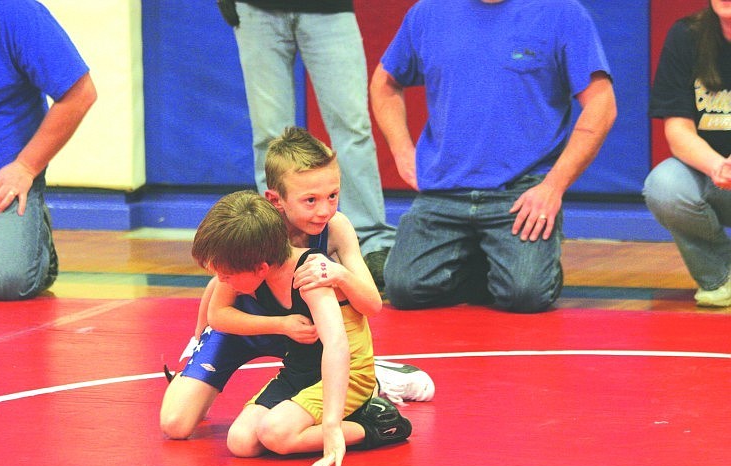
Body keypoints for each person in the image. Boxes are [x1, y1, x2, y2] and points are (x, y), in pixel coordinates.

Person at [160, 127, 433, 441]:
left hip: (306, 336)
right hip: (250, 325)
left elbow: (372, 304)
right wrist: (207, 338)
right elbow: (217, 297)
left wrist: (341, 274)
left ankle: (368, 382)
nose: (324, 210)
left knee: (329, 355)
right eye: (310, 200)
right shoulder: (256, 227)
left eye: (333, 196)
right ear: (276, 200)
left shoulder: (335, 228)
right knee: (175, 424)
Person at [369, 0, 617, 313]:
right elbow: (385, 82)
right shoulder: (428, 12)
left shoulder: (562, 12)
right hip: (444, 188)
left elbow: (602, 103)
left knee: (526, 294)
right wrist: (401, 150)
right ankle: (490, 261)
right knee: (404, 289)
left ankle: (532, 267)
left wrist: (553, 186)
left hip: (521, 191)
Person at [191, 190, 412, 466]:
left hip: (349, 375)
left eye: (226, 276)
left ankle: (376, 424)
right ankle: (323, 420)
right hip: (299, 371)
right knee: (241, 442)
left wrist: (332, 425)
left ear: (260, 269)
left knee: (276, 434)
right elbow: (218, 315)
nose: (220, 281)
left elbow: (336, 345)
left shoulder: (310, 274)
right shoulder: (254, 262)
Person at [217, 0, 396, 287]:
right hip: (257, 8)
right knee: (269, 135)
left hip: (329, 8)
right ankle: (274, 242)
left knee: (353, 127)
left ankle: (370, 243)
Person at [0, 0, 96, 301]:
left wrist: (26, 167)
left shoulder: (14, 12)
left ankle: (36, 252)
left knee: (7, 281)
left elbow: (80, 93)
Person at [643, 1, 731, 307]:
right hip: (714, 177)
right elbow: (678, 130)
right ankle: (720, 275)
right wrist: (718, 166)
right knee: (665, 186)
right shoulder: (686, 36)